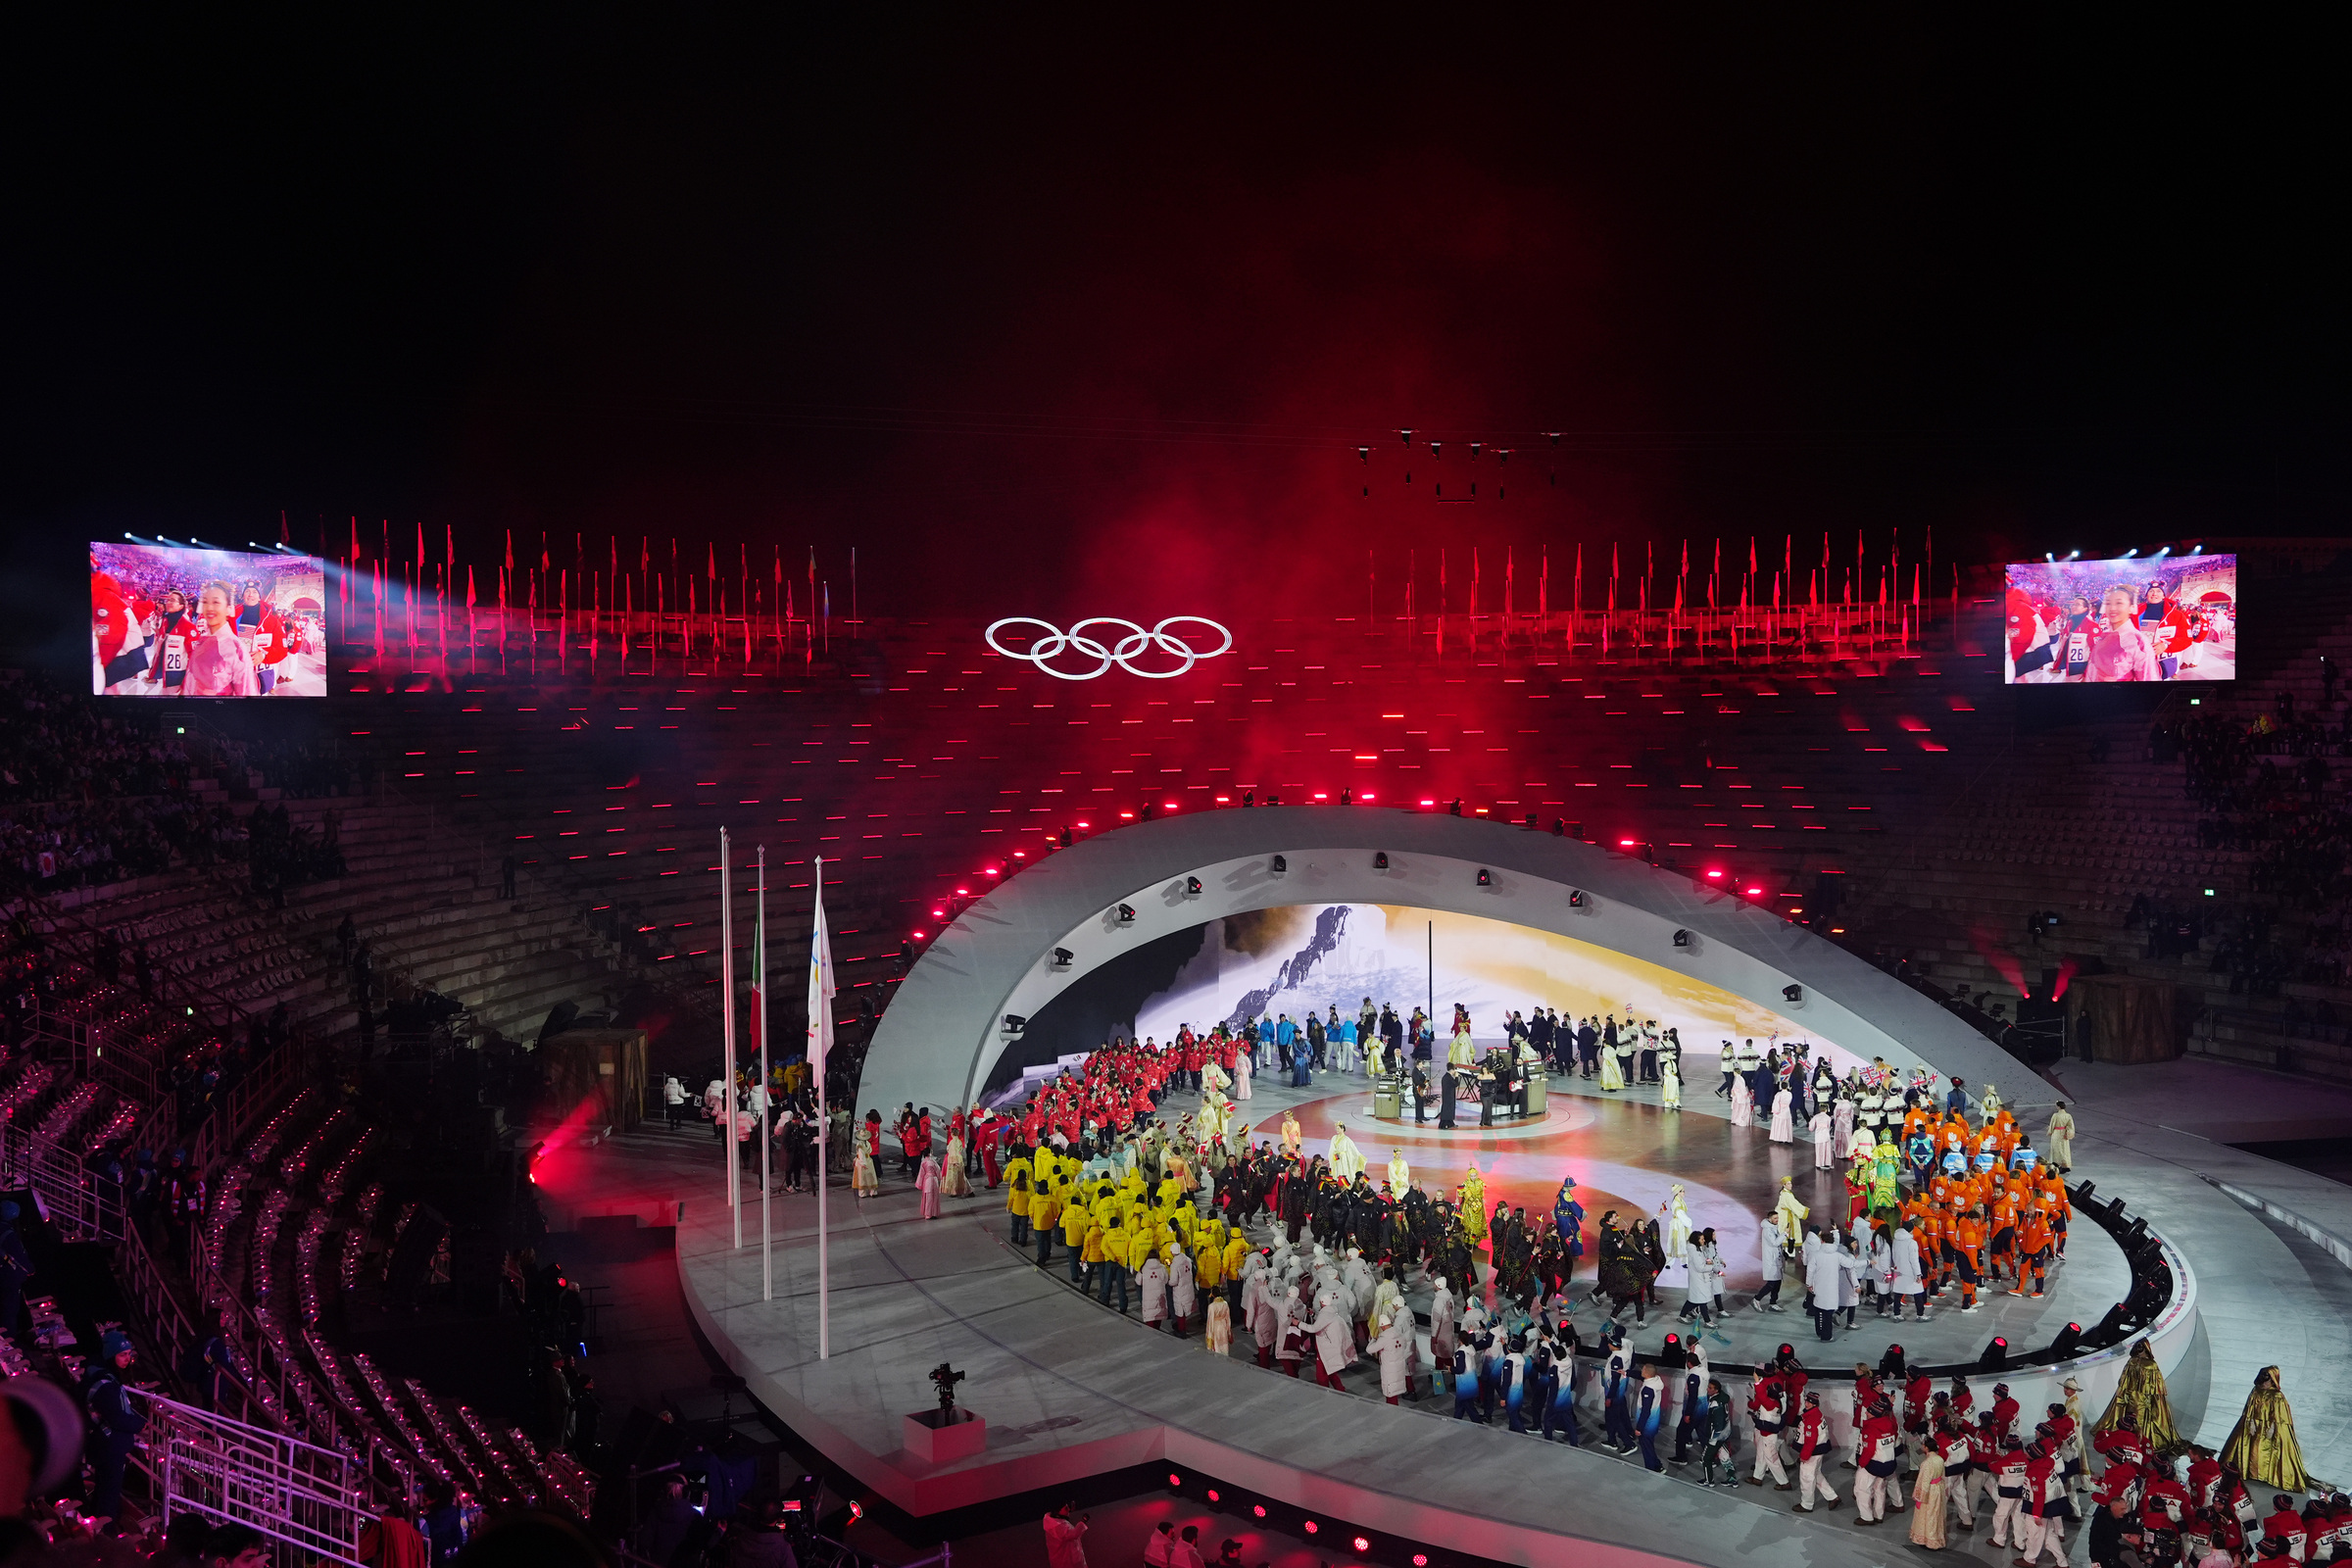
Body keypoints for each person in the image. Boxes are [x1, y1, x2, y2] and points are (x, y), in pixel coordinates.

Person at [81, 1328, 147, 1521]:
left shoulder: (107, 1379)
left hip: (109, 1446)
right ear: (111, 1356)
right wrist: (140, 1424)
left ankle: (99, 1525)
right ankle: (106, 1532)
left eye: (129, 1354)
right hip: (109, 1447)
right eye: (122, 1355)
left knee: (105, 1491)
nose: (127, 1359)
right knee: (108, 1494)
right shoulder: (105, 1384)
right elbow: (116, 1418)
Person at [2218, 1366, 2308, 1492]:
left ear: (2273, 1381)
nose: (2264, 1384)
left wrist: (2272, 1428)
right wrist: (2251, 1422)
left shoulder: (2277, 1396)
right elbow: (2249, 1409)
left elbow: (2280, 1416)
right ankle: (2250, 1472)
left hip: (2271, 1428)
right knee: (2253, 1448)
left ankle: (2270, 1476)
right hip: (2254, 1426)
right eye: (2263, 1382)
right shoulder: (2255, 1391)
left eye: (2267, 1382)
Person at [1910, 1440, 1950, 1548]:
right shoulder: (1940, 1459)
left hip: (1930, 1492)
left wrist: (1919, 1496)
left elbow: (1923, 1481)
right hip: (1938, 1489)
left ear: (1926, 1448)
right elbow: (1943, 1476)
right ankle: (1936, 1538)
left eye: (1923, 1445)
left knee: (1927, 1515)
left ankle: (1927, 1540)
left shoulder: (1926, 1463)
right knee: (1936, 1514)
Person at [1043, 1503, 1090, 1568]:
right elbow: (1073, 1534)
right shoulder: (1056, 1526)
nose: (1069, 1510)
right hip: (1066, 1562)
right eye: (1066, 1508)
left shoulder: (1057, 1522)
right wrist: (1083, 1521)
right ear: (1058, 1511)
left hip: (1067, 1560)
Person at [2046, 1102, 2077, 1174]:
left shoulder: (2055, 1115)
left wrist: (2050, 1131)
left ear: (2058, 1107)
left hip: (2056, 1133)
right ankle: (2065, 1164)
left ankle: (2056, 1164)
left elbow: (2052, 1125)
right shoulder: (2068, 1115)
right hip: (2064, 1133)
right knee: (2064, 1149)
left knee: (2056, 1149)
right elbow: (2071, 1126)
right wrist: (2068, 1133)